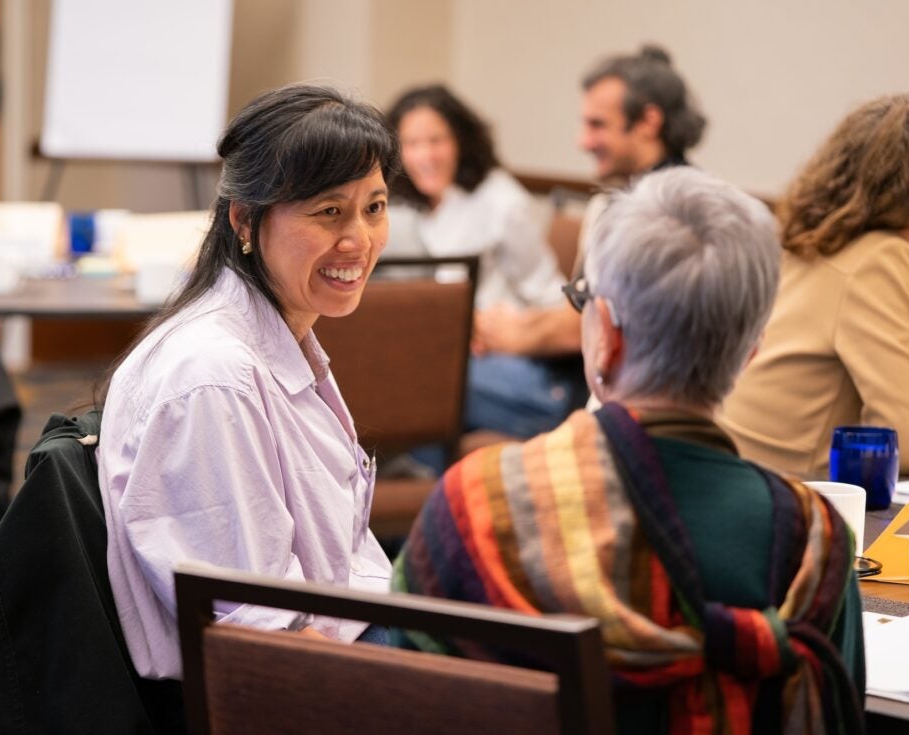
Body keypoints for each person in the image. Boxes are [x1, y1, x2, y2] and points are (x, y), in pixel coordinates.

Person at [393, 168, 865, 733]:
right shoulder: (813, 540)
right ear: (751, 353)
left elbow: (407, 695)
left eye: (583, 300)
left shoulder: (477, 504)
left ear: (607, 336)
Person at [96, 84, 398, 680]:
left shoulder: (279, 334)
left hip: (347, 626)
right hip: (296, 682)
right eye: (329, 211)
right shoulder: (213, 375)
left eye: (375, 207)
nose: (359, 240)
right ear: (244, 219)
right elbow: (267, 632)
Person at [721, 94, 909, 477]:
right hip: (789, 497)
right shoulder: (882, 258)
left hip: (738, 473)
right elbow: (908, 447)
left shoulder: (812, 242)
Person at [474, 45, 707, 362]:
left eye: (597, 125)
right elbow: (584, 307)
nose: (582, 142)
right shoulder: (640, 197)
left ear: (649, 122)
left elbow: (590, 327)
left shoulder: (670, 214)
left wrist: (512, 333)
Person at [386, 84, 576, 439]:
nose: (424, 155)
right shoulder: (419, 208)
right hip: (454, 353)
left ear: (460, 140)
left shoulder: (502, 202)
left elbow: (549, 294)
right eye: (411, 144)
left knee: (399, 382)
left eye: (436, 140)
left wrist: (508, 329)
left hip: (511, 362)